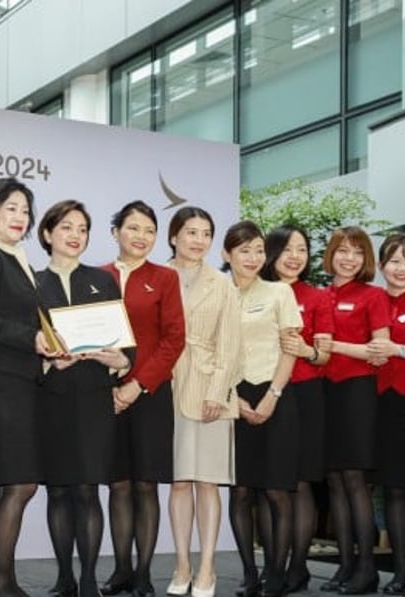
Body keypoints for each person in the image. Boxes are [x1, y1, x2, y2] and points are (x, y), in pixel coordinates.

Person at [0, 177, 62, 597]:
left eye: (25, 210)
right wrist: (31, 340)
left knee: (20, 484)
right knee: (18, 484)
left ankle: (3, 581)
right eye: (11, 209)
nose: (20, 217)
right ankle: (0, 583)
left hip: (25, 383)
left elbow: (30, 322)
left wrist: (55, 346)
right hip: (1, 385)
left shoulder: (21, 261)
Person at [35, 200, 130, 597]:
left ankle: (89, 579)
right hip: (51, 398)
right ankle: (64, 579)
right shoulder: (31, 282)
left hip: (93, 396)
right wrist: (46, 363)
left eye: (83, 229)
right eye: (67, 228)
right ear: (47, 234)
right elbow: (24, 342)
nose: (76, 236)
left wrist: (118, 361)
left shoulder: (103, 280)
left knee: (88, 489)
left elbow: (126, 346)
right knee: (57, 490)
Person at [101, 200, 186, 597]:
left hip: (150, 394)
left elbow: (173, 340)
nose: (141, 237)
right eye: (133, 228)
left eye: (149, 230)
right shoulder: (94, 276)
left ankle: (144, 573)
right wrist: (114, 387)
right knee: (117, 484)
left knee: (145, 485)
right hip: (104, 395)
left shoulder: (165, 278)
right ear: (116, 231)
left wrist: (137, 384)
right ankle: (120, 571)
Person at [222, 221, 302, 597]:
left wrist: (273, 395)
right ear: (227, 255)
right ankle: (249, 574)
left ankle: (275, 574)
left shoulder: (279, 293)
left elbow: (290, 348)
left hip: (274, 395)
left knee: (276, 491)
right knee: (240, 492)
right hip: (231, 398)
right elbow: (203, 350)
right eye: (243, 251)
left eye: (258, 250)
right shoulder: (215, 293)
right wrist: (230, 398)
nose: (252, 258)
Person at [165, 207, 241, 597]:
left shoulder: (222, 283)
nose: (198, 239)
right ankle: (181, 563)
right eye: (190, 231)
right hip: (165, 385)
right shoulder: (156, 276)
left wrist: (217, 391)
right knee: (179, 482)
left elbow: (232, 344)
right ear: (174, 235)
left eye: (206, 233)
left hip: (210, 386)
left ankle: (207, 567)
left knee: (207, 482)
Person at [261, 225, 333, 593]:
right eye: (287, 249)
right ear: (271, 252)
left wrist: (304, 350)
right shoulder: (253, 292)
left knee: (300, 484)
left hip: (305, 395)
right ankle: (273, 564)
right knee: (271, 485)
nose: (294, 257)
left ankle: (298, 567)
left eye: (302, 250)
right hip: (264, 395)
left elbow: (323, 354)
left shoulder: (318, 298)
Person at [318, 226, 390, 595]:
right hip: (324, 394)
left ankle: (367, 569)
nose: (349, 258)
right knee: (333, 481)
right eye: (343, 250)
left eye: (358, 252)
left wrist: (336, 347)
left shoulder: (373, 296)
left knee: (355, 481)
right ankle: (344, 566)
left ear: (366, 260)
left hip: (358, 393)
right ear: (331, 254)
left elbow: (378, 349)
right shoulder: (321, 295)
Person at [365, 234, 405, 596]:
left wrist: (397, 348)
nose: (402, 268)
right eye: (394, 261)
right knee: (394, 491)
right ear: (382, 265)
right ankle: (400, 573)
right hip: (381, 406)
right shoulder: (372, 301)